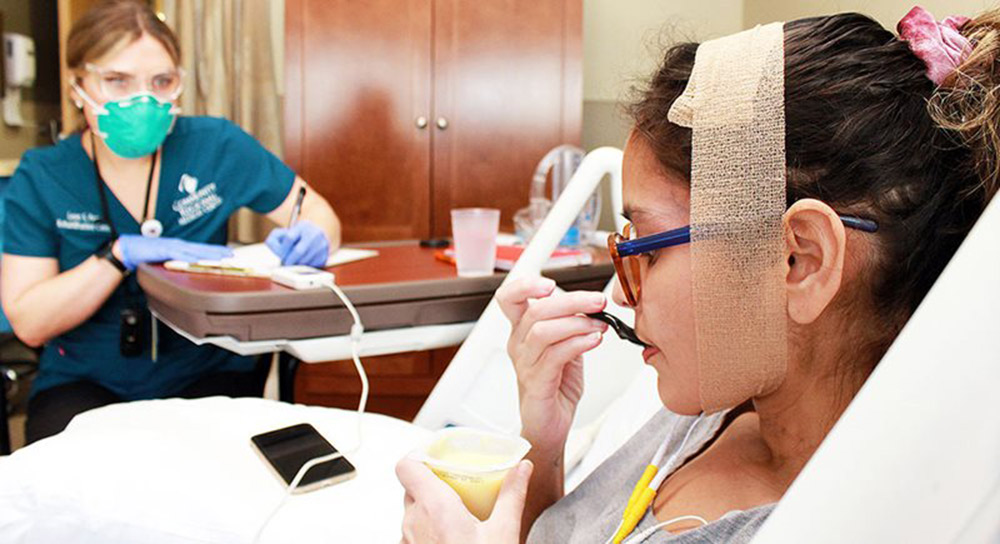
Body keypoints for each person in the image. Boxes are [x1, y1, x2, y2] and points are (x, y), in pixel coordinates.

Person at [395, 7, 999, 543]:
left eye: (648, 251)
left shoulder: (821, 521)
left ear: (798, 261)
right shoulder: (722, 403)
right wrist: (546, 441)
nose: (626, 298)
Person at [0, 0, 341, 444]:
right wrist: (118, 256)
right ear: (77, 84)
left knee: (212, 469)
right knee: (75, 480)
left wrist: (314, 235)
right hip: (86, 379)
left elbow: (317, 211)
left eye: (161, 81)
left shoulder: (216, 146)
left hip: (206, 370)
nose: (142, 100)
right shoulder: (43, 175)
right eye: (117, 80)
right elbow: (30, 321)